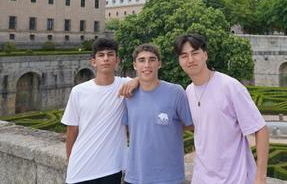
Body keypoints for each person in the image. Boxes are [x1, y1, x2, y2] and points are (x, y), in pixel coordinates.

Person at [174, 33, 269, 184]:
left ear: (205, 55)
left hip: (235, 179)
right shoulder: (189, 91)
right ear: (179, 61)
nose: (190, 60)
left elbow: (261, 129)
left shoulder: (229, 86)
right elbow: (196, 125)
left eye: (195, 53)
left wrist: (260, 177)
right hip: (202, 178)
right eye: (184, 55)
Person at [62, 37, 137, 184]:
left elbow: (148, 80)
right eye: (101, 55)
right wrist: (71, 160)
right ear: (93, 61)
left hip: (111, 169)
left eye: (110, 54)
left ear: (117, 60)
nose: (106, 59)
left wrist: (137, 80)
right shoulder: (79, 91)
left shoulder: (124, 85)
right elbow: (72, 131)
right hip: (80, 168)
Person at [123, 43, 193, 184]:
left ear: (159, 64)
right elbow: (128, 129)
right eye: (141, 60)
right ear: (135, 65)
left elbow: (191, 125)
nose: (147, 65)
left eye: (152, 59)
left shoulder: (176, 92)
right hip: (135, 177)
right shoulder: (128, 95)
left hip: (169, 178)